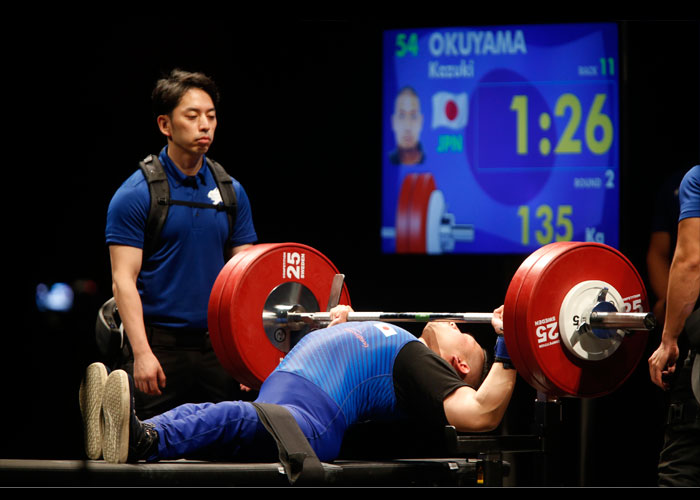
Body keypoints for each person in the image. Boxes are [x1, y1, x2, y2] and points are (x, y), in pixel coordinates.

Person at [81, 304, 515, 467]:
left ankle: (143, 439)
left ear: (457, 363)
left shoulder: (418, 361)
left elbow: (481, 413)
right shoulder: (393, 339)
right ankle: (125, 431)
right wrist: (331, 327)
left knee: (228, 416)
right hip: (286, 399)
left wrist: (508, 339)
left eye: (467, 335)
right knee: (207, 411)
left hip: (307, 422)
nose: (457, 323)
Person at [103, 69, 258, 424]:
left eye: (211, 115)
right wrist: (141, 353)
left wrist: (246, 354)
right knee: (145, 457)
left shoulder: (233, 192)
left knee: (230, 454)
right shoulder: (135, 195)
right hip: (159, 352)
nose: (205, 125)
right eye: (192, 116)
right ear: (165, 125)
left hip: (218, 352)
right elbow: (122, 280)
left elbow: (247, 278)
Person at [648, 165, 700, 487]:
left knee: (683, 470)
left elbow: (691, 261)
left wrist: (669, 339)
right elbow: (661, 253)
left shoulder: (697, 179)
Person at [389, 86, 425, 166]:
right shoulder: (386, 163)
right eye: (401, 116)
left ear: (421, 122)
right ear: (393, 122)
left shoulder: (431, 160)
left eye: (413, 116)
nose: (408, 127)